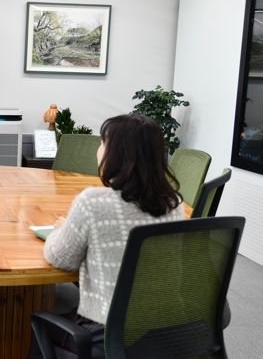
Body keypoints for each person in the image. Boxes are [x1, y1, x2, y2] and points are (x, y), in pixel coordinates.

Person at [41, 113, 184, 359]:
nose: (98, 150)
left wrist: (59, 230)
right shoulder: (174, 203)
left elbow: (61, 258)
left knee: (30, 327)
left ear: (117, 154)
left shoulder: (93, 202)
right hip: (163, 330)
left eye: (102, 143)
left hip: (105, 333)